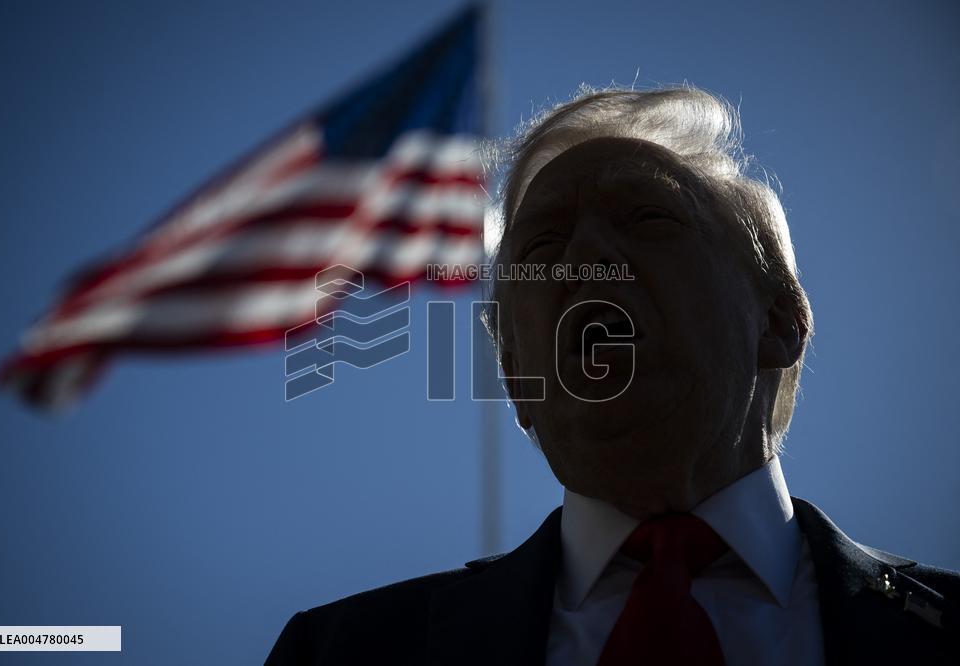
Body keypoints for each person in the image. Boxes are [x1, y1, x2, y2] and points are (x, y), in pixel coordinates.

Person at [266, 87, 959, 665]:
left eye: (649, 216)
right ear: (514, 375)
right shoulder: (342, 652)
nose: (589, 254)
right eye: (544, 244)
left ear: (780, 321)